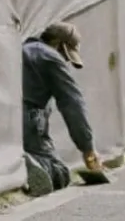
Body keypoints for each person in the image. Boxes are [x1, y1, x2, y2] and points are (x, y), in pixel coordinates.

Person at [22, 23, 103, 196]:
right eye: (67, 56)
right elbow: (72, 103)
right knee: (61, 173)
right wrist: (88, 148)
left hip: (0, 118)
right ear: (59, 44)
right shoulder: (51, 58)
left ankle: (17, 166)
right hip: (29, 122)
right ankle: (28, 166)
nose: (66, 61)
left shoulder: (20, 49)